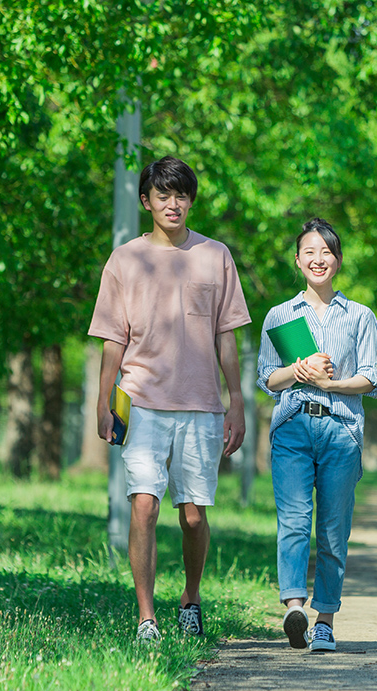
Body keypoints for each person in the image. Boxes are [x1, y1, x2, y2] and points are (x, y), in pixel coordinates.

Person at [88, 156, 251, 643]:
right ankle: (146, 618)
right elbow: (112, 338)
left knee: (194, 513)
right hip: (140, 400)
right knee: (143, 504)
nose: (173, 204)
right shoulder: (124, 260)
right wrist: (103, 401)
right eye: (163, 195)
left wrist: (236, 401)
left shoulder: (216, 255)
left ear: (190, 200)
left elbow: (227, 336)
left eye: (181, 195)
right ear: (147, 202)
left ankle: (190, 598)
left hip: (202, 404)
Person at [257, 218, 377, 653]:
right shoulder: (280, 315)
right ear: (298, 260)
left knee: (332, 529)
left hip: (341, 429)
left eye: (326, 252)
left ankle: (325, 619)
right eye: (309, 252)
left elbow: (371, 377)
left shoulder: (361, 316)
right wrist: (298, 370)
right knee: (293, 520)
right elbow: (267, 378)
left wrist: (329, 384)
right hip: (292, 427)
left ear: (338, 260)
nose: (318, 259)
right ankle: (295, 606)